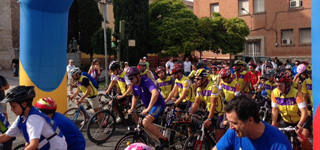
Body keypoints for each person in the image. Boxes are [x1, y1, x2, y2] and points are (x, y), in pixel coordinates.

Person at [213, 94, 292, 150]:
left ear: (250, 120)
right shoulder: (234, 133)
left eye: (235, 123)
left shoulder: (279, 144)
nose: (231, 127)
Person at [0, 86, 67, 150]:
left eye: (13, 106)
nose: (11, 109)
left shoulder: (34, 119)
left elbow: (33, 145)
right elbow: (6, 136)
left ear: (24, 104)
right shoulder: (21, 117)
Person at [126, 67, 167, 149]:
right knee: (143, 124)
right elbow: (135, 96)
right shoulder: (134, 85)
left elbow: (155, 93)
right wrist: (132, 107)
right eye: (128, 78)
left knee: (146, 122)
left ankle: (164, 140)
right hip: (150, 106)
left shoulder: (146, 81)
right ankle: (157, 140)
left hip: (158, 104)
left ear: (138, 76)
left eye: (131, 78)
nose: (130, 80)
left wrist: (148, 109)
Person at [271, 72, 312, 150]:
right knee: (285, 141)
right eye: (276, 85)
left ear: (286, 84)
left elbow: (304, 112)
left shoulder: (296, 93)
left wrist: (300, 125)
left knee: (302, 139)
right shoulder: (274, 93)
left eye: (281, 85)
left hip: (302, 120)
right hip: (287, 121)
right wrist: (273, 125)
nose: (278, 88)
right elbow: (274, 110)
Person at [187, 69, 225, 142]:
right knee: (206, 135)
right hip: (210, 112)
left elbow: (213, 104)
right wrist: (189, 114)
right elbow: (196, 103)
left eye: (198, 79)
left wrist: (209, 119)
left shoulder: (214, 88)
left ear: (204, 79)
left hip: (219, 114)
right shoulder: (199, 89)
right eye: (195, 79)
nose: (195, 80)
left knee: (218, 140)